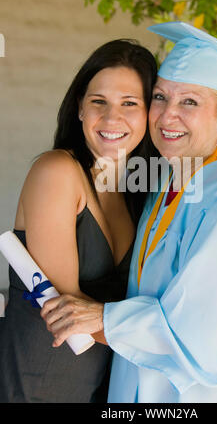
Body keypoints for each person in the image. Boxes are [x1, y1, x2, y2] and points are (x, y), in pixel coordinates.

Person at [41, 22, 217, 403]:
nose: (167, 116)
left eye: (190, 102)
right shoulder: (171, 182)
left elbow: (210, 339)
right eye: (159, 97)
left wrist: (104, 318)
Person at [0, 39, 158, 403]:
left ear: (150, 113)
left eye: (129, 104)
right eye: (98, 102)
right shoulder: (57, 172)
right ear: (79, 109)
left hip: (99, 389)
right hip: (34, 384)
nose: (111, 118)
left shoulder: (140, 195)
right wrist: (167, 338)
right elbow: (71, 314)